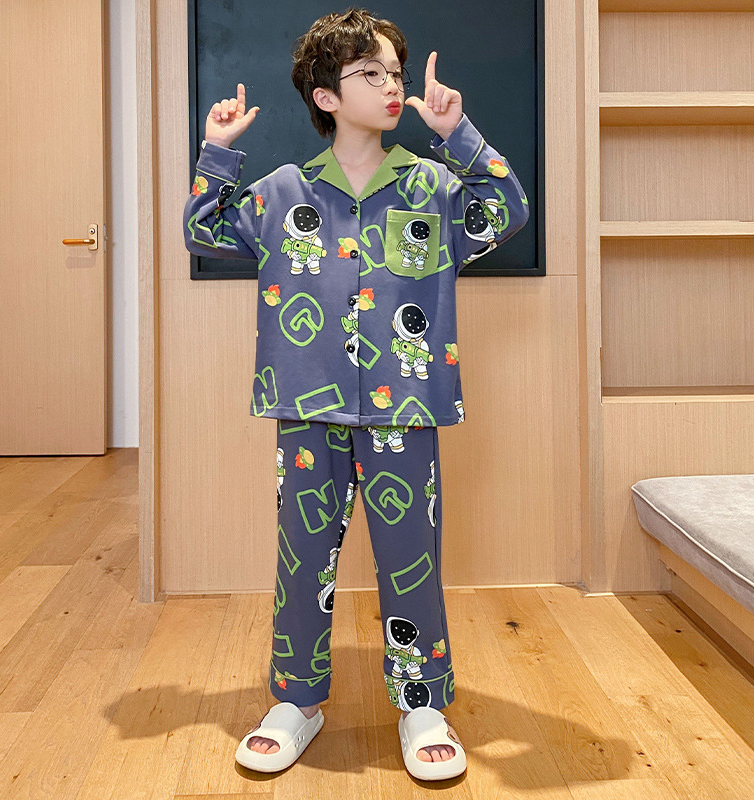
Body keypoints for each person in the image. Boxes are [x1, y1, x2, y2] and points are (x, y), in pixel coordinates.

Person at [183, 6, 529, 781]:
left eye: (395, 72)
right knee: (302, 559)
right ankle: (297, 700)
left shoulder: (435, 187)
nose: (392, 85)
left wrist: (458, 135)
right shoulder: (282, 192)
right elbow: (204, 230)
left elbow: (508, 212)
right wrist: (218, 151)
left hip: (406, 407)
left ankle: (422, 704)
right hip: (308, 407)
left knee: (412, 561)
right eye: (370, 73)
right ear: (326, 96)